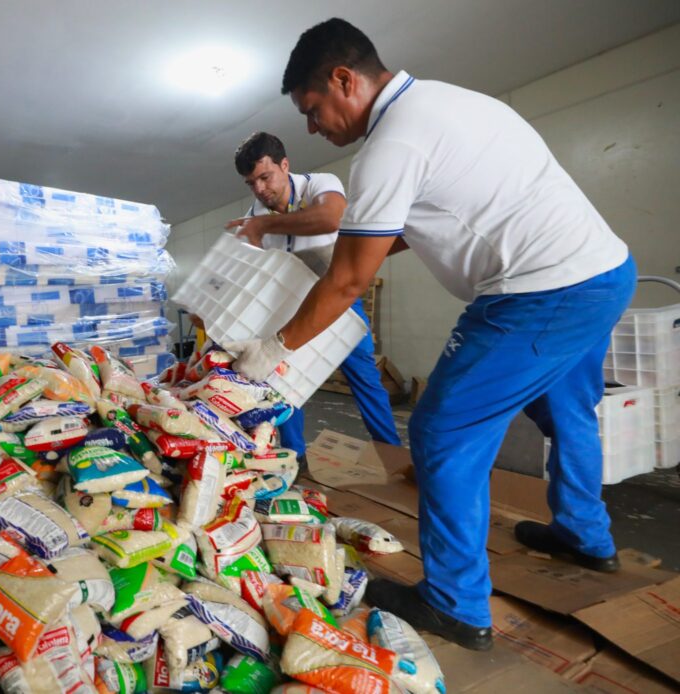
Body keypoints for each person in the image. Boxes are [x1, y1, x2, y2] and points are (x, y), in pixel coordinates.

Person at [225, 18, 635, 650]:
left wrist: (276, 347)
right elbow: (414, 230)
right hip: (603, 273)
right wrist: (349, 252)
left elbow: (347, 285)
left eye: (313, 110)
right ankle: (585, 537)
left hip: (538, 293)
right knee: (565, 410)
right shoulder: (452, 102)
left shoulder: (391, 146)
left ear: (344, 79)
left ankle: (455, 604)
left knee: (441, 428)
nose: (313, 128)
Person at [224, 132, 401, 467]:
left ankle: (391, 453)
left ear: (285, 165)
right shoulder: (254, 216)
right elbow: (247, 271)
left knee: (364, 379)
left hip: (338, 301)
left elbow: (331, 217)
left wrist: (264, 224)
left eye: (265, 177)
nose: (260, 189)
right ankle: (296, 459)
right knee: (284, 384)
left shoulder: (319, 184)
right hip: (292, 309)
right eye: (251, 183)